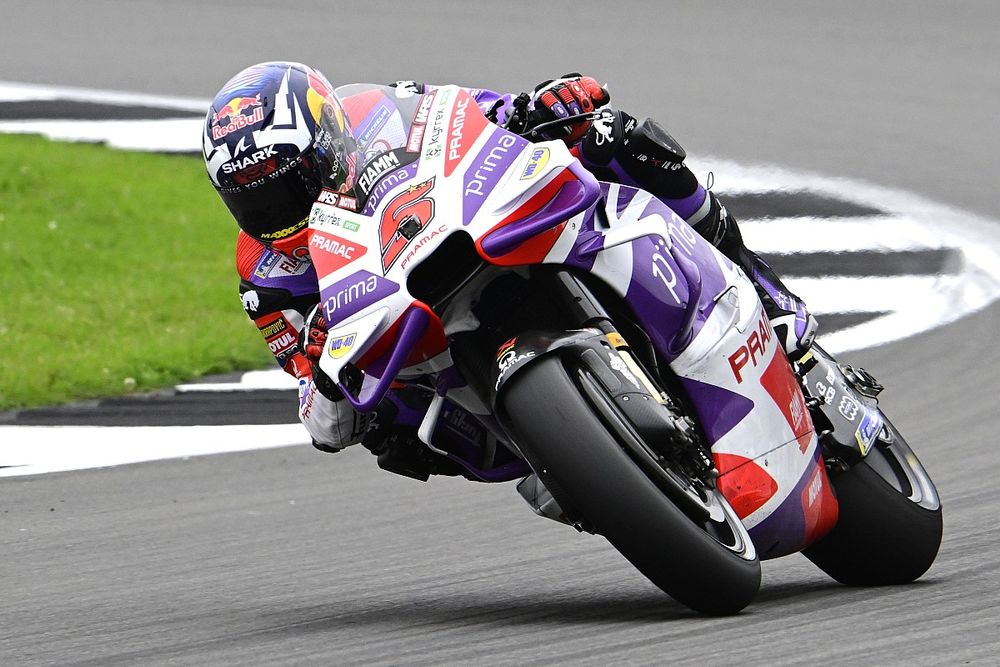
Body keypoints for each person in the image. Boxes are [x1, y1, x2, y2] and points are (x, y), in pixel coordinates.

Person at [203, 61, 817, 481]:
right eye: (253, 201)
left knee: (610, 136)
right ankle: (582, 469)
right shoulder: (265, 275)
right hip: (419, 352)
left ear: (328, 140)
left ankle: (764, 290)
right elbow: (320, 416)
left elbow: (471, 116)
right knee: (390, 432)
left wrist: (542, 106)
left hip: (474, 228)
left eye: (289, 184)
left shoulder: (375, 113)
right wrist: (323, 372)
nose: (280, 211)